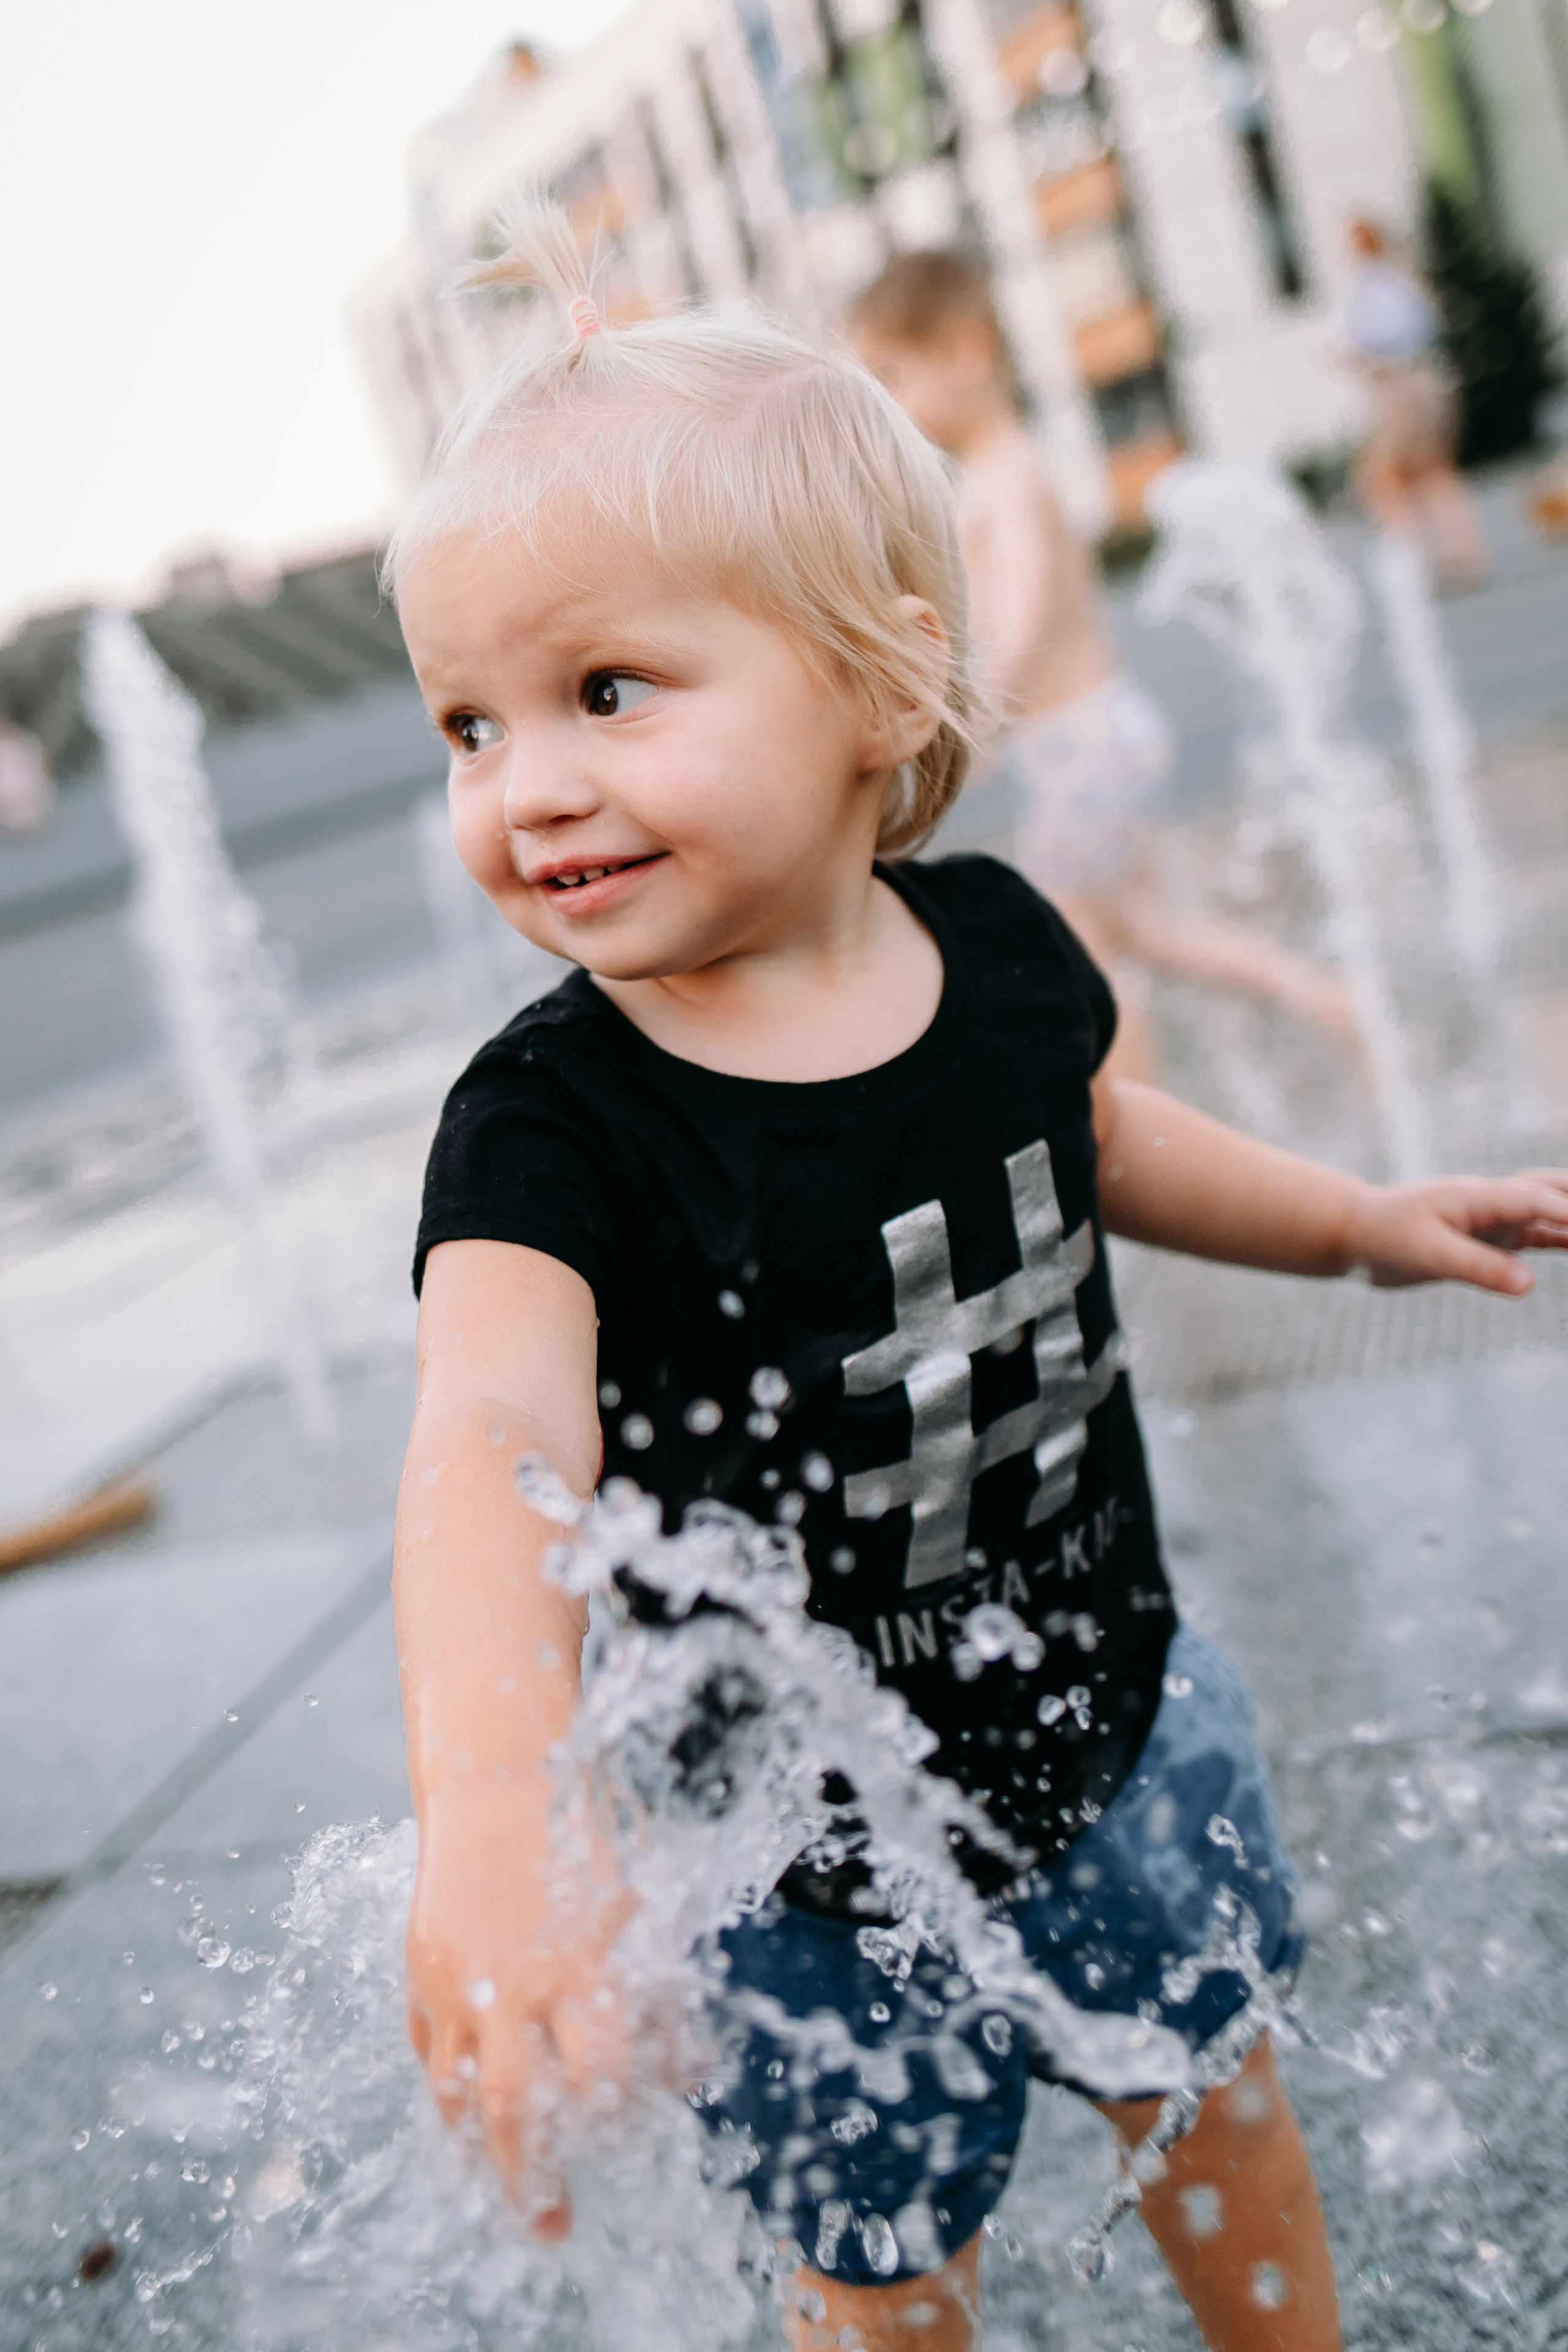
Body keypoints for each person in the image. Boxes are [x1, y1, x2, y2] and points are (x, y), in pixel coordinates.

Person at [390, 197, 1568, 2352]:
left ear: (876, 680)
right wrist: (490, 1804)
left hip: (1113, 1721)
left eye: (606, 691)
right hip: (782, 1861)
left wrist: (1354, 1220)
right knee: (880, 2264)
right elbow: (484, 1434)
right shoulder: (552, 1124)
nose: (523, 789)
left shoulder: (1004, 945)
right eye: (468, 726)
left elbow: (1106, 1139)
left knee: (1215, 2110)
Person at [846, 251, 1358, 1084]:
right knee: (1140, 929)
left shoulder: (1003, 475)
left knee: (1083, 948)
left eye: (893, 375)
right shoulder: (1006, 467)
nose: (889, 404)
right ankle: (1317, 994)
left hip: (1081, 745)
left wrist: (965, 720)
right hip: (1099, 736)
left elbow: (1024, 614)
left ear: (967, 352)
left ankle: (1133, 1132)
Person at [1343, 217, 1488, 590]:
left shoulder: (1380, 285)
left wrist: (1359, 354)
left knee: (1382, 476)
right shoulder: (1401, 278)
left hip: (1402, 385)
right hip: (1424, 380)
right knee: (1432, 470)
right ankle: (1462, 552)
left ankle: (1412, 560)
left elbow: (1397, 338)